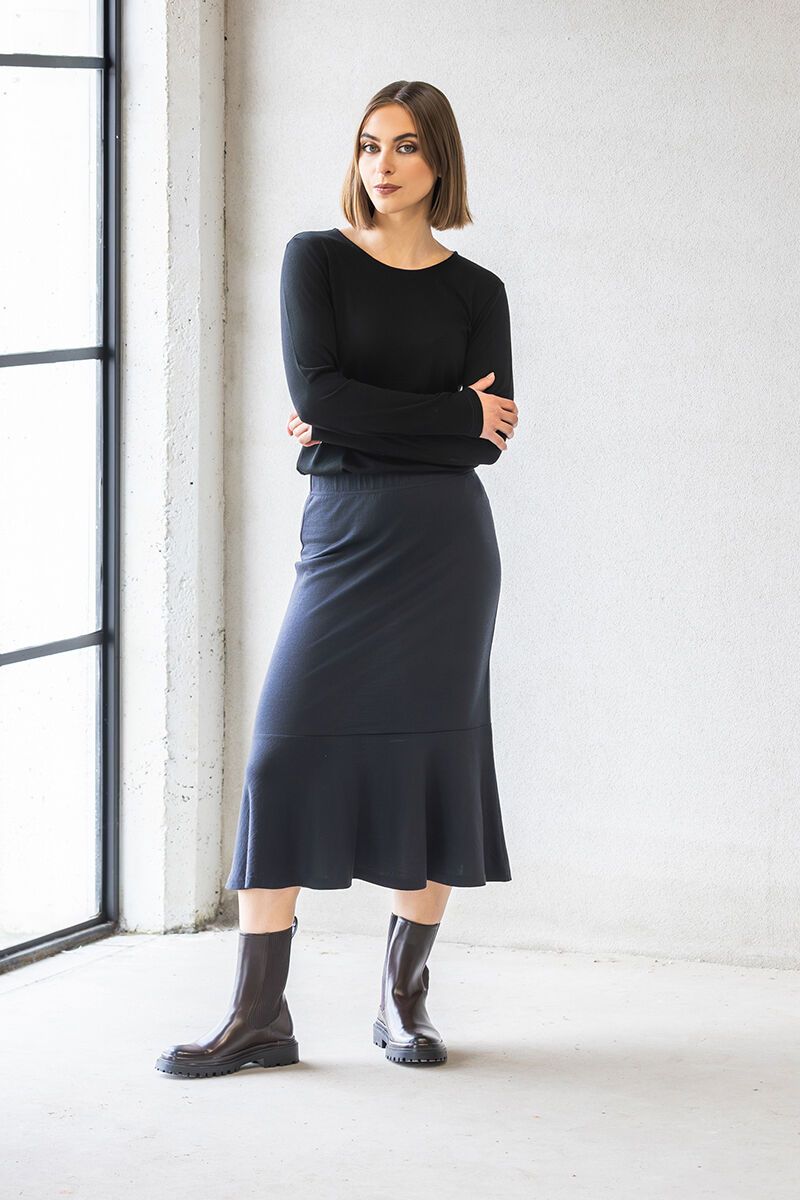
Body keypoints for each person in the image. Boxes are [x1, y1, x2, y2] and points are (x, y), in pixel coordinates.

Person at [156, 79, 519, 1079]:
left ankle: (403, 1002)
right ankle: (258, 1017)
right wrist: (444, 411)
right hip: (345, 533)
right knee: (280, 757)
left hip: (446, 548)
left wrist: (365, 417)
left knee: (431, 762)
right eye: (368, 145)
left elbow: (486, 443)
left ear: (439, 160)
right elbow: (317, 393)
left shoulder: (477, 290)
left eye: (404, 147)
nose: (382, 165)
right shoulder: (313, 259)